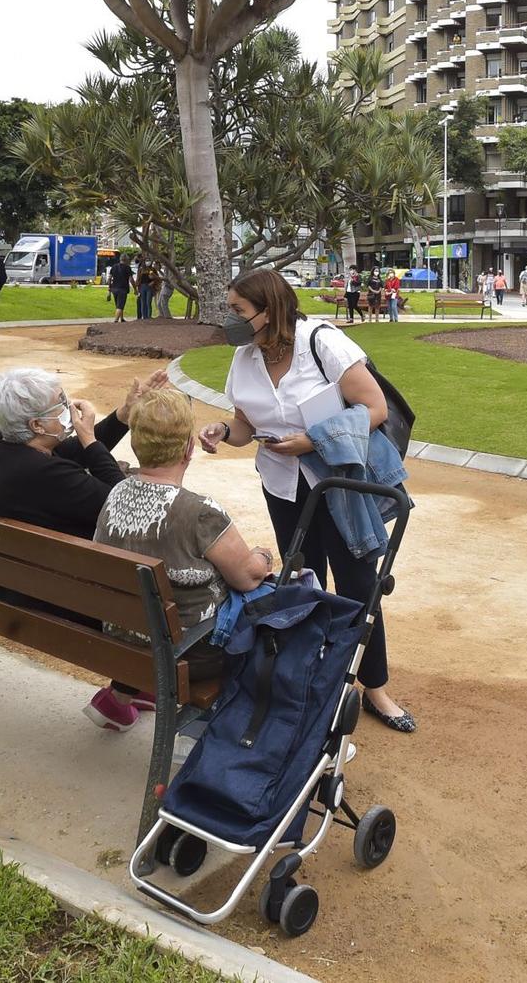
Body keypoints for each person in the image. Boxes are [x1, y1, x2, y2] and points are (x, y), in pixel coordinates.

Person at [198, 269, 414, 732]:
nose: (230, 319)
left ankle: (374, 686)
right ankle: (315, 680)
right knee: (303, 581)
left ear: (269, 310)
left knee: (358, 584)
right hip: (282, 486)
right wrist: (222, 431)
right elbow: (244, 424)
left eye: (238, 310)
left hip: (339, 483)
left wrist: (312, 441)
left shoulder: (322, 342)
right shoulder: (245, 356)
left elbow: (374, 410)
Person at [0, 368, 166, 724]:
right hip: (56, 593)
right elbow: (122, 503)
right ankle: (124, 691)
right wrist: (92, 441)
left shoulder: (2, 449)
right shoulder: (42, 475)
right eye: (59, 404)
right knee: (156, 602)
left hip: (18, 578)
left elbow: (69, 454)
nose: (68, 406)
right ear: (36, 425)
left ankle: (128, 688)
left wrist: (122, 416)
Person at [82, 386, 274, 730]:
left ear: (137, 445)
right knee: (271, 598)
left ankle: (120, 697)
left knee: (153, 605)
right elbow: (246, 577)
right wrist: (263, 556)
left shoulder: (115, 493)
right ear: (188, 449)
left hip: (123, 639)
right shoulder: (199, 512)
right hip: (190, 653)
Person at [107, 254, 133, 322]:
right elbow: (131, 279)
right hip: (123, 289)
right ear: (127, 260)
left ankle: (122, 318)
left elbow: (109, 278)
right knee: (120, 306)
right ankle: (115, 320)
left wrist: (109, 289)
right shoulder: (127, 268)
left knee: (118, 305)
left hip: (114, 288)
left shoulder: (114, 266)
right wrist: (135, 288)